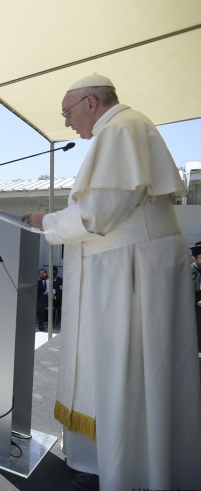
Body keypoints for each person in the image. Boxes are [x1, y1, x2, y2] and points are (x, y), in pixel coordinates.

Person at [22, 74, 200, 490]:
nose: (67, 123)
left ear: (90, 102)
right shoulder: (119, 129)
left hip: (131, 275)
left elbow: (100, 211)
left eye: (67, 113)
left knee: (128, 369)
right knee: (115, 369)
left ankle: (130, 471)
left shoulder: (121, 128)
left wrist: (47, 222)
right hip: (120, 270)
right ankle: (102, 462)